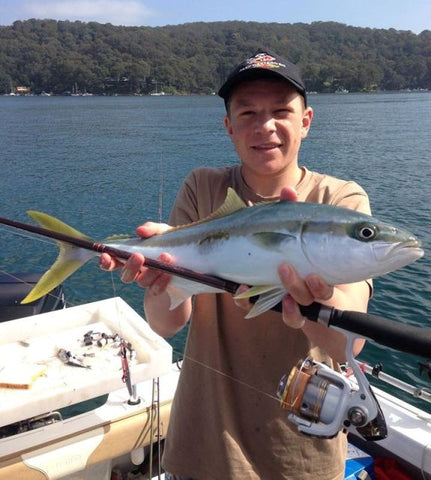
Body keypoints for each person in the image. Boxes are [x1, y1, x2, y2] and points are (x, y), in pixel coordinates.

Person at [100, 48, 371, 480]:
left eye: (282, 110)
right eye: (247, 113)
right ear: (228, 127)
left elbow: (347, 344)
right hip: (202, 445)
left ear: (306, 121)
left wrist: (319, 299)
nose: (265, 126)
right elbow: (167, 324)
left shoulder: (338, 201)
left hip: (300, 457)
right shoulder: (204, 187)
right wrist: (158, 281)